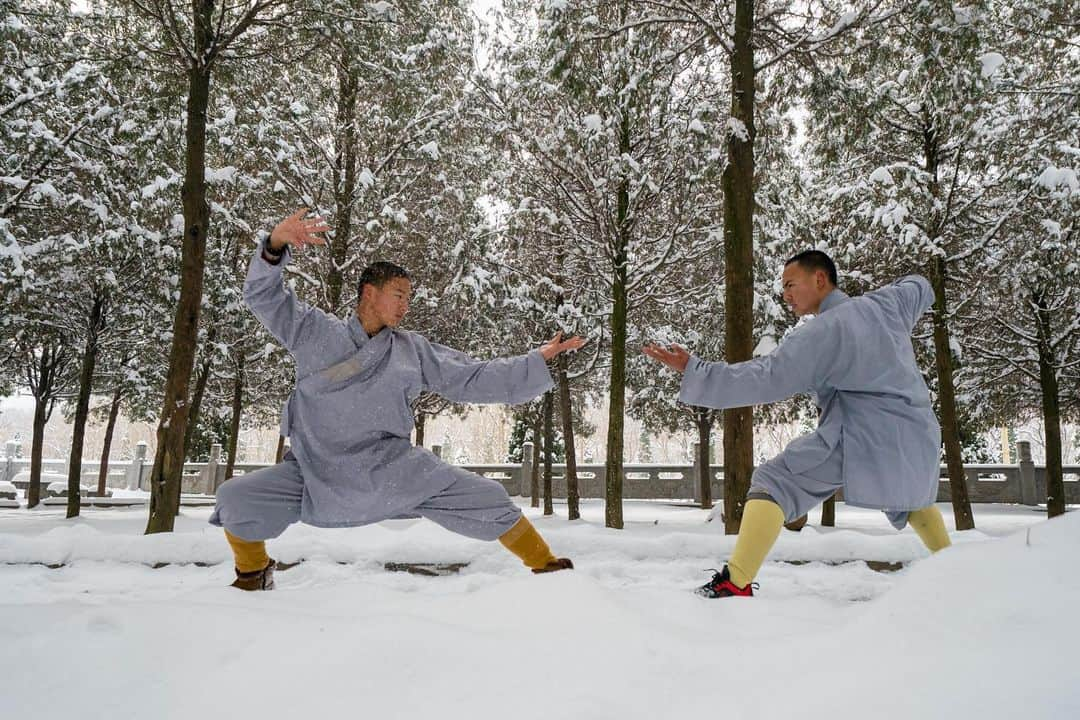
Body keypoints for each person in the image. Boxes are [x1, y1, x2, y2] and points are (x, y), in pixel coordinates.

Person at [211, 209, 585, 590]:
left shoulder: (412, 351)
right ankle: (254, 574)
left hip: (390, 470)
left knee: (486, 496)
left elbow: (471, 377)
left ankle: (547, 566)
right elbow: (263, 296)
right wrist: (274, 246)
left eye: (409, 297)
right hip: (314, 470)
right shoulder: (314, 332)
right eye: (399, 295)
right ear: (370, 294)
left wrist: (535, 361)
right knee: (236, 498)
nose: (405, 305)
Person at [643, 250, 951, 598]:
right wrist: (920, 283)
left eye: (791, 284)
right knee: (909, 495)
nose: (786, 295)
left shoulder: (824, 331)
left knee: (773, 483)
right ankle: (957, 569)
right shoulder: (887, 304)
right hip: (919, 432)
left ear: (820, 279)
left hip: (865, 434)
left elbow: (766, 376)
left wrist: (695, 370)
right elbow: (918, 287)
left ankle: (736, 581)